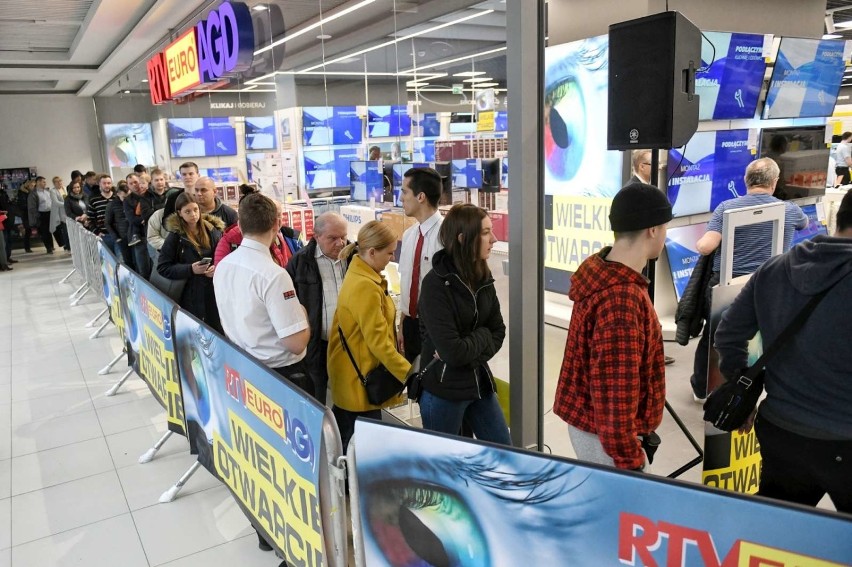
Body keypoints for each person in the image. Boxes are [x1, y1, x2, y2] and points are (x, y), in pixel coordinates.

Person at [713, 191, 852, 513]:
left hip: (780, 429)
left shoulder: (775, 268)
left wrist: (743, 392)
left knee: (776, 534)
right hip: (845, 436)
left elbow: (728, 333)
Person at [553, 182, 671, 471]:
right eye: (665, 228)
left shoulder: (601, 271)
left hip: (592, 427)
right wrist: (629, 459)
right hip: (607, 439)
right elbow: (615, 389)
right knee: (620, 512)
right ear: (652, 230)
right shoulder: (622, 297)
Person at [690, 157, 809, 400]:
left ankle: (703, 388)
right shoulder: (789, 210)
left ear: (746, 181)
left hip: (727, 287)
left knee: (713, 336)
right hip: (771, 286)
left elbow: (705, 247)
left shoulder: (726, 207)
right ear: (774, 183)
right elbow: (804, 224)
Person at [417, 204, 510, 445]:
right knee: (445, 467)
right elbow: (453, 352)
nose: (495, 239)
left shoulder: (482, 276)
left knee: (503, 452)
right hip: (443, 390)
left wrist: (471, 351)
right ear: (463, 238)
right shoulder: (435, 285)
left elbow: (498, 331)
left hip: (478, 383)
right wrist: (482, 335)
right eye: (486, 232)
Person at [214, 193, 312, 393]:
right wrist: (302, 312)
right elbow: (296, 343)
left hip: (243, 368)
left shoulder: (224, 265)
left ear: (240, 225)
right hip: (281, 376)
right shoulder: (274, 275)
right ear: (276, 225)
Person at [327, 221, 411, 451]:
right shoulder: (365, 286)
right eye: (389, 253)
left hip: (352, 379)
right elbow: (379, 343)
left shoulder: (361, 276)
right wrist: (409, 375)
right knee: (360, 455)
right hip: (359, 384)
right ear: (372, 252)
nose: (392, 258)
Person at [286, 212, 349, 405]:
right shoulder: (300, 262)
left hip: (349, 343)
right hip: (316, 344)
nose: (340, 243)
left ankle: (347, 434)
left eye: (343, 237)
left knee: (349, 397)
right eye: (332, 238)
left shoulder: (355, 257)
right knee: (316, 396)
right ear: (316, 236)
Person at [157, 193, 224, 332]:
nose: (193, 214)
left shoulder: (213, 230)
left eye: (195, 209)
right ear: (180, 213)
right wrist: (190, 269)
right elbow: (163, 267)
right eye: (187, 211)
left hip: (213, 291)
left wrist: (216, 267)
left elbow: (223, 257)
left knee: (216, 329)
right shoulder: (175, 236)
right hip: (188, 295)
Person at [397, 167, 444, 362]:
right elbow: (407, 283)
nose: (401, 199)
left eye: (405, 192)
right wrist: (402, 324)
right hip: (410, 326)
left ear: (421, 196)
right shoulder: (409, 235)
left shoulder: (445, 237)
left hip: (436, 327)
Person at [86, 174, 116, 253]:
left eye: (109, 183)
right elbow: (90, 219)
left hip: (118, 235)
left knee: (120, 260)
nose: (107, 185)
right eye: (104, 183)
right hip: (103, 235)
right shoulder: (94, 200)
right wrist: (96, 232)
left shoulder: (117, 197)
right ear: (99, 184)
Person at [105, 184, 132, 267]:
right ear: (118, 194)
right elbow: (107, 223)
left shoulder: (132, 201)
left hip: (134, 236)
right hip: (122, 238)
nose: (126, 200)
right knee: (126, 262)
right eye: (124, 198)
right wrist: (116, 238)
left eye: (128, 197)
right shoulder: (112, 205)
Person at [28, 176, 55, 254]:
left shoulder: (48, 191)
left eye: (45, 182)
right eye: (43, 182)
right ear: (38, 182)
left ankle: (51, 246)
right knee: (44, 231)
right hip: (41, 214)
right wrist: (37, 215)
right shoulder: (33, 193)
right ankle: (48, 248)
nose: (45, 183)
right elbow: (32, 207)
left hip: (50, 213)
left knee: (50, 230)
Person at [49, 177, 68, 251]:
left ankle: (67, 245)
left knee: (67, 230)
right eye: (57, 181)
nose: (59, 182)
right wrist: (66, 204)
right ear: (54, 183)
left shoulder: (65, 188)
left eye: (60, 181)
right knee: (63, 230)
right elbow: (56, 202)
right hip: (59, 213)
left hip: (66, 212)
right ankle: (65, 245)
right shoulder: (52, 191)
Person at [16, 179, 34, 253]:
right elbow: (22, 205)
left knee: (29, 230)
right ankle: (27, 247)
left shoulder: (29, 192)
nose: (33, 187)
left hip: (29, 214)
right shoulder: (22, 193)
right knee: (28, 230)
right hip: (26, 214)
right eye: (32, 185)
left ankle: (27, 247)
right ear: (28, 185)